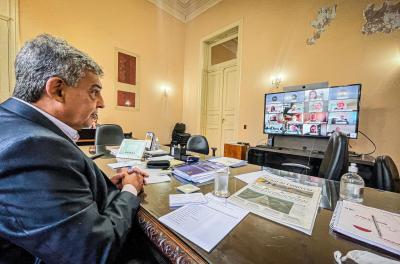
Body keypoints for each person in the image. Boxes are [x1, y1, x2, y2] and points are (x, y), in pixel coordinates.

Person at [0, 35, 162, 263]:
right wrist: (129, 190)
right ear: (57, 90)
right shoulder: (33, 146)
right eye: (94, 91)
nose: (102, 103)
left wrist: (98, 187)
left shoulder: (13, 124)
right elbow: (93, 252)